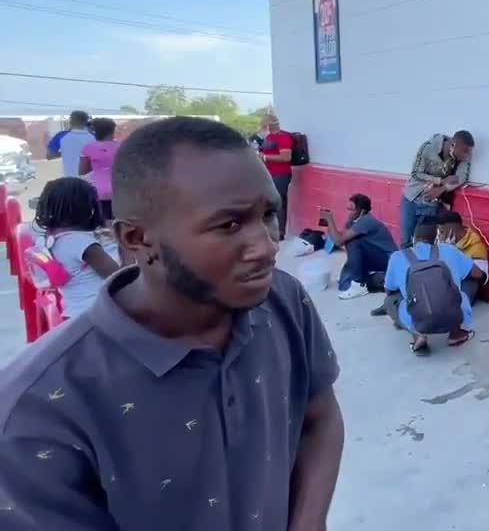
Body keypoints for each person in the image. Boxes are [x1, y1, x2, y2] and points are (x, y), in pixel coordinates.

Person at [0, 116, 344, 530]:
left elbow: (320, 419)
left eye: (269, 214)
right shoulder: (37, 414)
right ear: (136, 239)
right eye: (230, 224)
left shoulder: (284, 300)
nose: (266, 245)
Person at [381, 220, 484, 354]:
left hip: (417, 314)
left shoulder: (397, 257)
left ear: (413, 238)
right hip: (453, 312)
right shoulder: (449, 250)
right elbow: (478, 274)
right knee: (458, 292)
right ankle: (456, 334)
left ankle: (418, 334)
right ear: (436, 238)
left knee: (390, 300)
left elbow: (389, 289)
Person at [33, 177, 120, 319]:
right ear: (88, 208)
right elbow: (119, 278)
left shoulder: (50, 240)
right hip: (99, 316)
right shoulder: (83, 244)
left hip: (73, 315)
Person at [398, 130, 474, 247]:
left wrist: (442, 189)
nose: (466, 155)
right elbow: (416, 173)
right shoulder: (428, 147)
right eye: (464, 151)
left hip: (431, 204)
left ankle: (425, 266)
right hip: (411, 199)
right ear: (453, 144)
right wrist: (440, 181)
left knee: (427, 244)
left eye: (468, 152)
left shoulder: (464, 156)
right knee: (406, 242)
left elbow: (461, 177)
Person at [321, 193, 397, 301]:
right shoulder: (352, 221)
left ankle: (359, 285)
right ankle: (372, 280)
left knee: (354, 243)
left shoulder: (367, 221)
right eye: (347, 209)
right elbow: (340, 242)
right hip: (372, 256)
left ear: (362, 211)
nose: (348, 213)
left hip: (387, 259)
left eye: (351, 209)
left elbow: (340, 239)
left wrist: (330, 220)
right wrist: (329, 228)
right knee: (344, 285)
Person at [437, 210, 488, 303]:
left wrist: (455, 256)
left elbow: (481, 276)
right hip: (448, 278)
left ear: (452, 230)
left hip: (467, 280)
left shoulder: (476, 245)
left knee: (467, 291)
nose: (440, 236)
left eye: (442, 232)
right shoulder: (443, 241)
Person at [257, 113, 294, 240]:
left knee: (279, 202)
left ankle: (280, 231)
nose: (262, 128)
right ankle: (270, 229)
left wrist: (265, 157)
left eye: (264, 125)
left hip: (281, 175)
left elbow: (286, 157)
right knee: (268, 202)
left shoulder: (283, 137)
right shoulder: (269, 137)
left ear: (269, 125)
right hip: (269, 174)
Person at [79, 116, 121, 220]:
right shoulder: (123, 146)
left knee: (104, 223)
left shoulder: (88, 148)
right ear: (113, 130)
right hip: (120, 191)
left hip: (98, 191)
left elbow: (82, 171)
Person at [47, 110, 93, 178]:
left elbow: (49, 156)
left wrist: (65, 152)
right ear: (86, 121)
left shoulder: (60, 136)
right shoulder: (94, 137)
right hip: (90, 180)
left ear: (70, 121)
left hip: (69, 179)